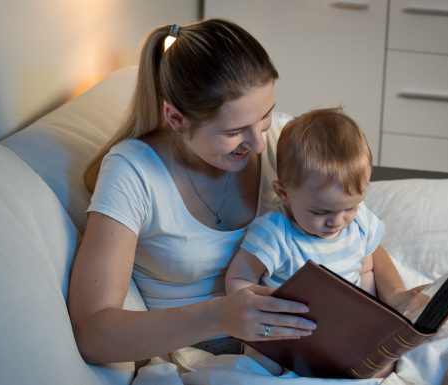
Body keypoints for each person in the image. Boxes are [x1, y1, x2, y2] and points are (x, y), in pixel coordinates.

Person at [68, 19, 317, 366]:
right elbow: (92, 334)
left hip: (298, 341)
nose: (260, 143)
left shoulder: (276, 136)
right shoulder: (133, 172)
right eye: (234, 131)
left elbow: (350, 212)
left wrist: (394, 294)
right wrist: (217, 316)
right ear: (176, 118)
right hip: (206, 356)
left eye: (265, 116)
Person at [225, 108, 425, 376]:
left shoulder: (360, 222)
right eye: (320, 212)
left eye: (350, 207)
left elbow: (367, 267)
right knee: (259, 365)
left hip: (341, 333)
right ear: (283, 193)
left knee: (383, 365)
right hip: (285, 333)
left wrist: (386, 304)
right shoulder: (275, 232)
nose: (337, 222)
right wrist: (262, 306)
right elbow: (238, 278)